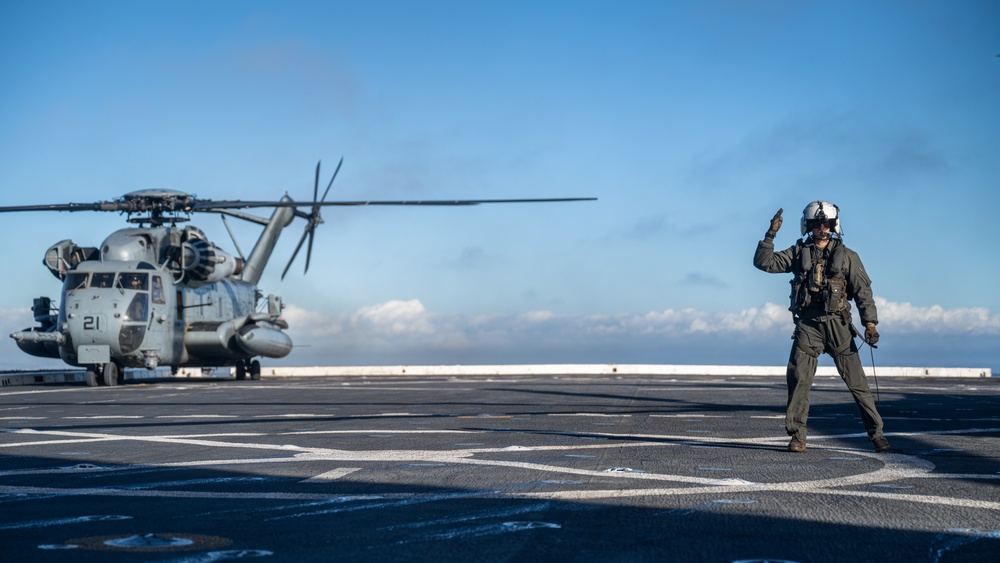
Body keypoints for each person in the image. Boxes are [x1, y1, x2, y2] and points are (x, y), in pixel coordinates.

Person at [753, 201, 890, 453]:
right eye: (816, 224)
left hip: (838, 325)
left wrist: (870, 324)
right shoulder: (797, 252)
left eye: (826, 223)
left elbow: (863, 293)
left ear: (834, 225)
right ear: (808, 226)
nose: (822, 228)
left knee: (858, 385)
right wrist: (770, 235)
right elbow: (764, 263)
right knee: (798, 380)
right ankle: (797, 436)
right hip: (809, 326)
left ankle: (876, 434)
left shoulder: (848, 257)